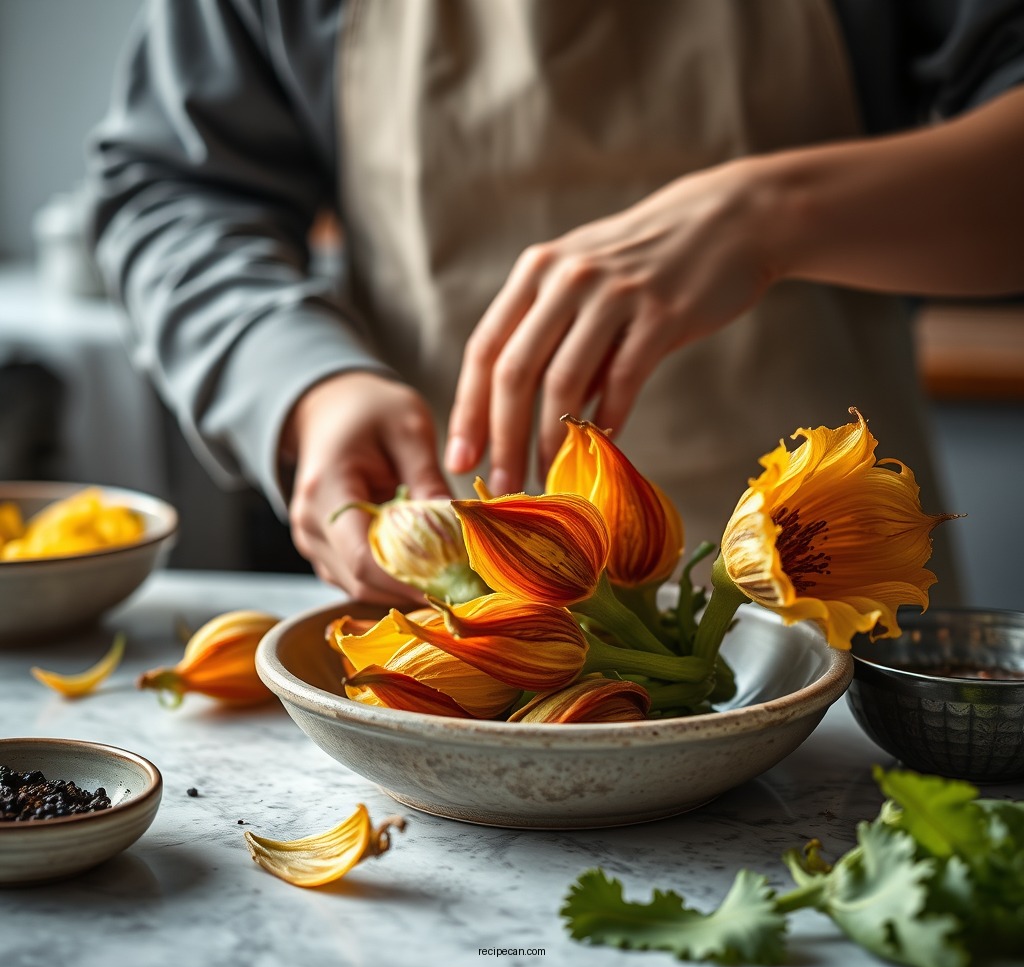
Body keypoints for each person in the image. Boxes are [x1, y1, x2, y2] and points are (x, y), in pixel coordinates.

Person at [87, 0, 1024, 607]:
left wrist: (767, 216)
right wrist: (303, 384)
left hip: (843, 597)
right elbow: (175, 193)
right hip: (473, 625)